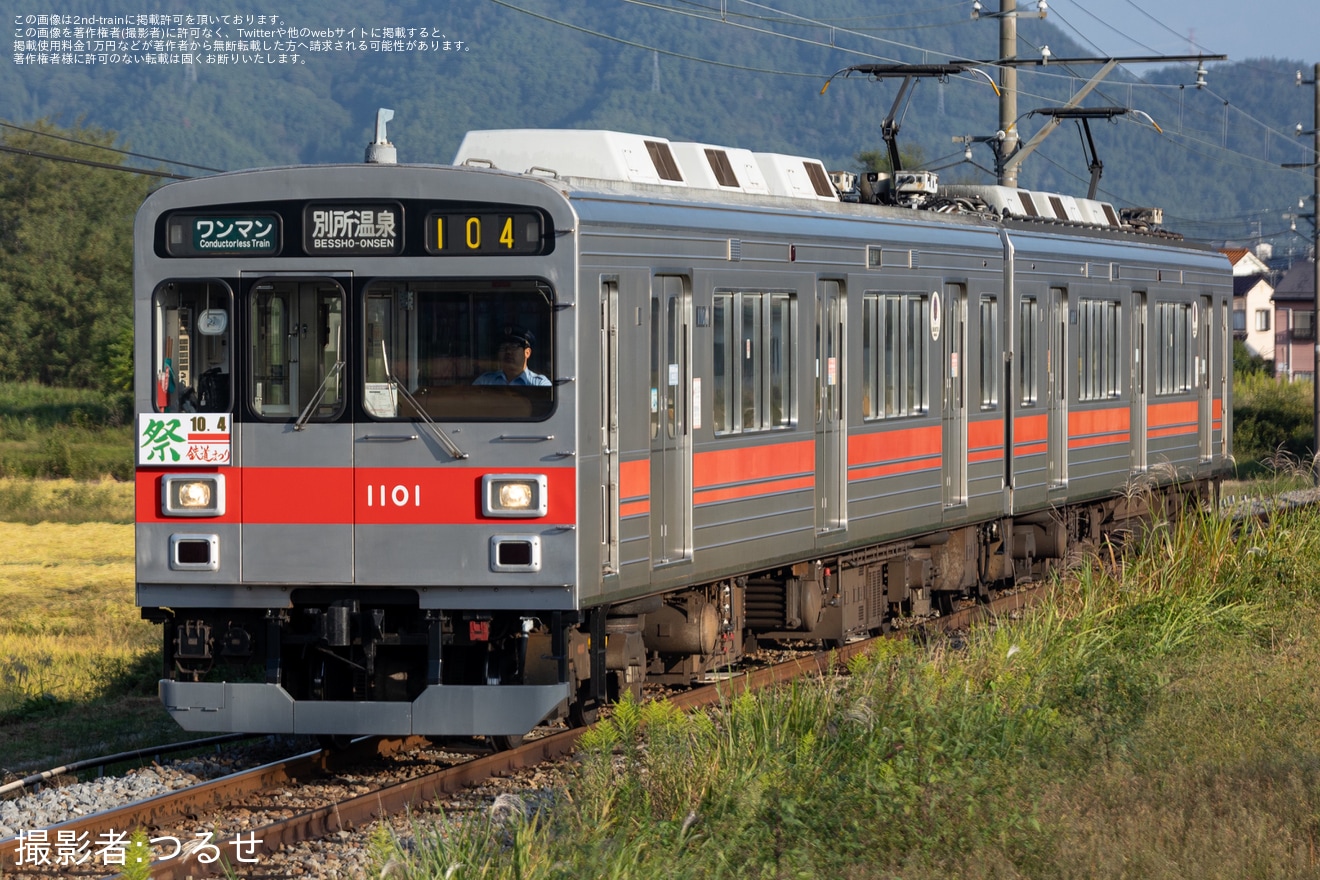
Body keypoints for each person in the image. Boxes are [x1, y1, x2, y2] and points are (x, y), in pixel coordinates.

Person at [473, 327, 551, 386]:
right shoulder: (485, 382)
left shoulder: (540, 383)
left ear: (527, 352)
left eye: (514, 347)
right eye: (503, 347)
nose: (508, 352)